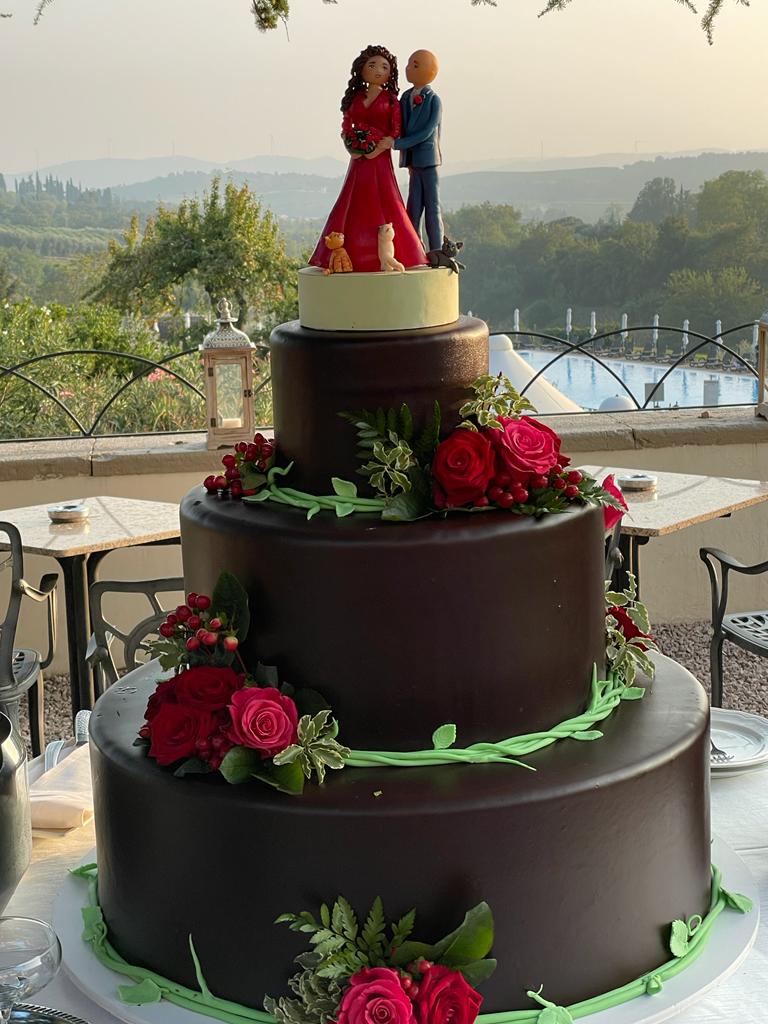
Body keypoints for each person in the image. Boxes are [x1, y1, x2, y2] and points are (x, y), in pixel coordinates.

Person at [308, 45, 427, 274]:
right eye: (372, 65)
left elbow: (395, 128)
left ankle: (399, 252)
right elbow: (347, 122)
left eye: (384, 67)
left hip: (380, 159)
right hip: (358, 159)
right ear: (361, 69)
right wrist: (350, 143)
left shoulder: (391, 99)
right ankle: (346, 252)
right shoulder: (355, 97)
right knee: (353, 198)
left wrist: (381, 145)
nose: (377, 70)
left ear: (390, 73)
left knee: (386, 198)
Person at [381, 49, 444, 255]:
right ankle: (414, 248)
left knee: (432, 207)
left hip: (428, 161)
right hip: (413, 163)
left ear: (430, 71)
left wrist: (397, 143)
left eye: (415, 65)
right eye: (408, 64)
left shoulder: (434, 100)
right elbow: (398, 122)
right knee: (413, 208)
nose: (409, 69)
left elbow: (427, 132)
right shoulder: (405, 97)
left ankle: (436, 248)